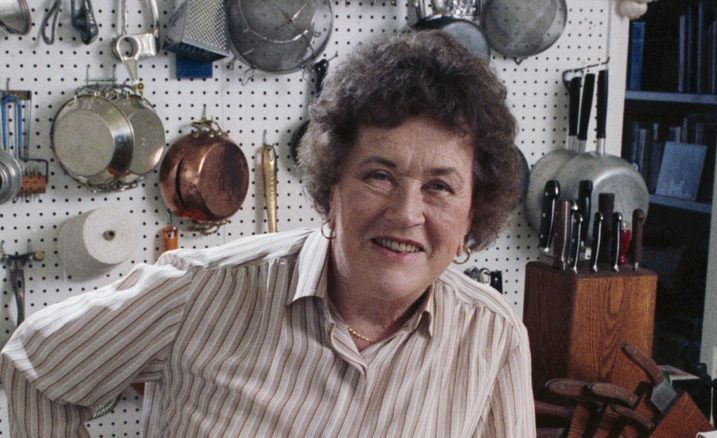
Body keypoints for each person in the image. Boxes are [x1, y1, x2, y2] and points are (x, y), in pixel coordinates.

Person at [0, 30, 535, 437]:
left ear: (473, 212)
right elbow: (34, 368)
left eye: (440, 187)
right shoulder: (200, 293)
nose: (405, 212)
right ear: (333, 187)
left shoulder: (492, 336)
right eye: (379, 175)